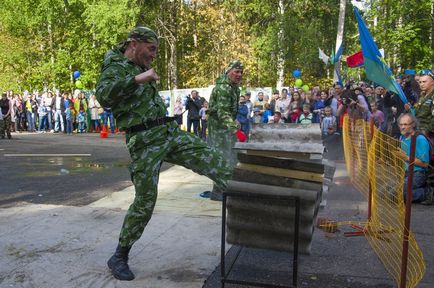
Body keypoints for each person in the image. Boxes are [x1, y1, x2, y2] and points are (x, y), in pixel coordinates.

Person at [95, 26, 232, 281]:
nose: (154, 55)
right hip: (145, 141)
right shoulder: (115, 66)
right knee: (145, 201)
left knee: (214, 160)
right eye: (151, 49)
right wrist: (137, 79)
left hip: (168, 132)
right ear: (134, 43)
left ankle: (252, 207)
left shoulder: (139, 67)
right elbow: (103, 95)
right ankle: (119, 256)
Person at [207, 60, 244, 200]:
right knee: (221, 159)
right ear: (229, 72)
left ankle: (225, 187)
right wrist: (237, 130)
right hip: (218, 130)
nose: (239, 74)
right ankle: (218, 192)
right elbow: (223, 114)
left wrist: (235, 121)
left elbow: (228, 111)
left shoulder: (234, 87)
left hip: (226, 128)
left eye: (241, 72)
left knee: (231, 158)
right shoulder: (224, 88)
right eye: (236, 71)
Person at [397, 113, 430, 203]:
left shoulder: (420, 139)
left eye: (405, 124)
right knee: (383, 191)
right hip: (406, 173)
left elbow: (425, 164)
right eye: (401, 124)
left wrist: (406, 157)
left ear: (413, 125)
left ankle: (426, 193)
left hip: (418, 173)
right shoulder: (403, 138)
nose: (402, 127)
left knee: (397, 194)